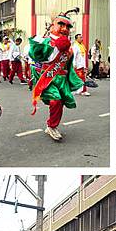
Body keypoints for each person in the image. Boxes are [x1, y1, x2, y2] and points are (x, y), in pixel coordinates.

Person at [28, 9, 85, 141]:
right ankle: (52, 126)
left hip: (62, 79)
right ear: (53, 25)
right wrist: (49, 47)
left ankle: (52, 125)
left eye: (68, 26)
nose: (65, 29)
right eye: (61, 24)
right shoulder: (45, 41)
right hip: (48, 78)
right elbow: (34, 54)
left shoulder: (70, 48)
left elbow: (69, 67)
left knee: (60, 103)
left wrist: (74, 81)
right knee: (55, 100)